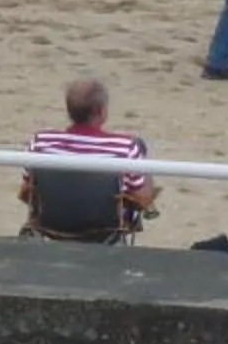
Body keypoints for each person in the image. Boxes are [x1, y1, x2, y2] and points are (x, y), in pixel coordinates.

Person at [20, 77, 157, 241]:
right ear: (101, 111)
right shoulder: (124, 146)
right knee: (140, 174)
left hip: (50, 223)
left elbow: (27, 189)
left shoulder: (41, 141)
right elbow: (141, 197)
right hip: (105, 229)